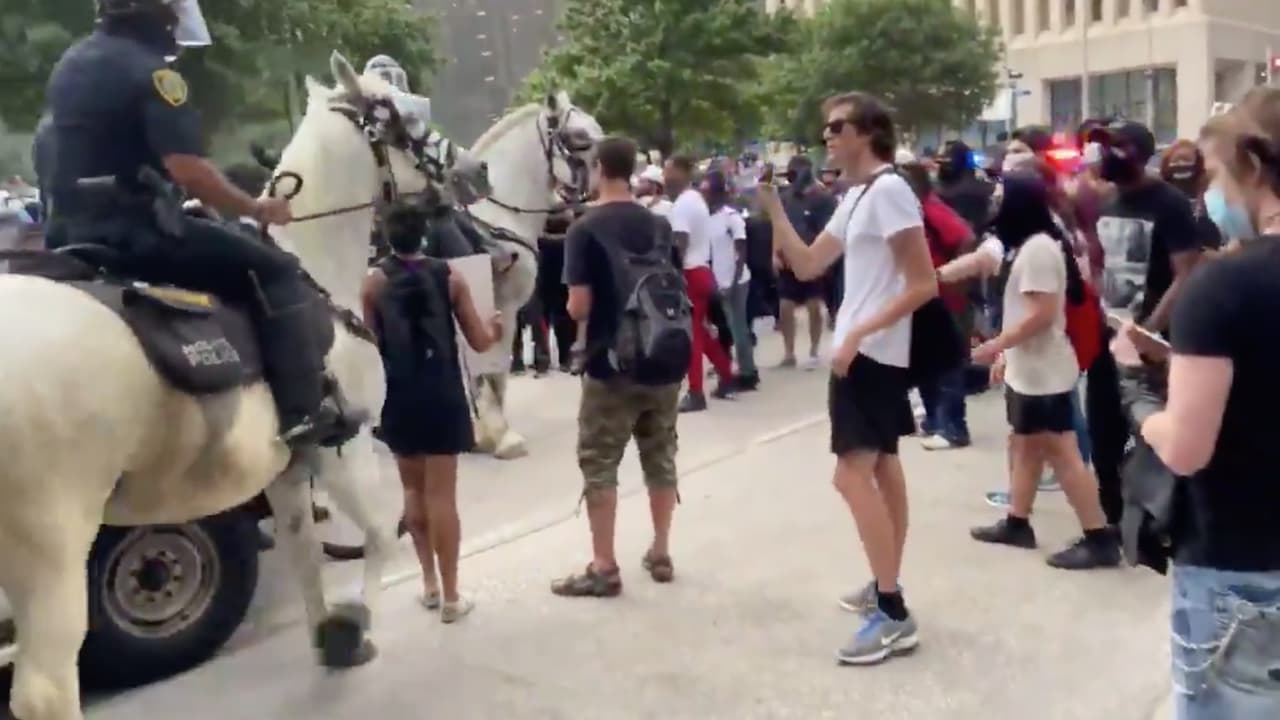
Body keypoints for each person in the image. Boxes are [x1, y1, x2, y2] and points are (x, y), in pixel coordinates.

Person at [41, 0, 363, 449]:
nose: (176, 25)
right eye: (172, 14)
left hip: (68, 230)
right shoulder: (158, 75)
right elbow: (188, 169)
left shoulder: (69, 64)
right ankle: (303, 410)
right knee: (274, 270)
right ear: (156, 16)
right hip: (137, 234)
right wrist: (256, 208)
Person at [1116, 87, 1280, 719]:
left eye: (1214, 174)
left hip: (1243, 564)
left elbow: (1185, 447)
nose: (1210, 193)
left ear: (1255, 168)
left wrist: (1136, 392)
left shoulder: (1227, 286)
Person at [760, 91, 937, 665]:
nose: (828, 137)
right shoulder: (859, 195)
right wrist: (774, 208)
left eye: (837, 127)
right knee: (883, 469)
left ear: (867, 133)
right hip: (864, 355)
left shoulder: (888, 191)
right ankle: (885, 583)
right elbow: (810, 263)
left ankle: (891, 609)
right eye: (826, 128)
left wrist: (858, 334)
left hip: (871, 356)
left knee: (851, 476)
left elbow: (922, 283)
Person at [552, 136, 683, 597]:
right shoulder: (659, 225)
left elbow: (578, 305)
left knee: (600, 462)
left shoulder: (584, 229)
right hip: (665, 358)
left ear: (597, 167)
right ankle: (661, 550)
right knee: (660, 455)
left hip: (612, 363)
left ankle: (604, 565)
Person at [968, 175, 1121, 570]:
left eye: (1001, 197)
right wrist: (1006, 354)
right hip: (1030, 369)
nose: (994, 203)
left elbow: (1040, 315)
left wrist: (995, 346)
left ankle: (1099, 537)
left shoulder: (1037, 250)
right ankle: (1018, 522)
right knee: (1027, 447)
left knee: (1062, 454)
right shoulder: (1030, 245)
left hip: (1044, 371)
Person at [360, 203, 500, 623]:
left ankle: (429, 584)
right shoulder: (451, 276)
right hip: (443, 392)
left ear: (386, 235)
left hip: (398, 394)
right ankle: (454, 596)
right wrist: (495, 327)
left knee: (413, 491)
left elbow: (369, 342)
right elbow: (478, 341)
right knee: (443, 496)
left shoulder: (373, 283)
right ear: (424, 234)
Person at [1090, 119, 1201, 527]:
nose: (1104, 158)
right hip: (1110, 338)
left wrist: (1150, 331)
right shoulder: (1107, 201)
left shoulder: (1168, 203)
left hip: (1153, 344)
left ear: (1137, 155)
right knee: (1103, 433)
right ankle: (1111, 524)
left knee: (1151, 434)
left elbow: (1187, 271)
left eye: (1113, 149)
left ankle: (1157, 522)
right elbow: (1101, 263)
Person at [664, 154, 736, 413]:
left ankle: (696, 392)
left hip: (690, 273)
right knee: (702, 334)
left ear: (682, 173)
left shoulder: (683, 204)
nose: (665, 176)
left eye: (668, 170)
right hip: (701, 270)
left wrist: (672, 273)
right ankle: (727, 375)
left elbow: (680, 241)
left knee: (692, 335)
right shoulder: (695, 199)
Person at [775, 155, 838, 367]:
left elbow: (828, 230)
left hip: (812, 257)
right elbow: (778, 226)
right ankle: (788, 352)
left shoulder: (823, 199)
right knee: (785, 305)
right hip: (788, 261)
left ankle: (813, 350)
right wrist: (775, 253)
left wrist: (823, 260)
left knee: (813, 305)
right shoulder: (785, 198)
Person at [705, 169, 758, 391]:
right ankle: (725, 367)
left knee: (738, 328)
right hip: (715, 282)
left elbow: (741, 251)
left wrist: (734, 283)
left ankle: (748, 372)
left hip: (736, 281)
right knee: (722, 328)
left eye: (707, 191)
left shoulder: (731, 218)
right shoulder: (706, 218)